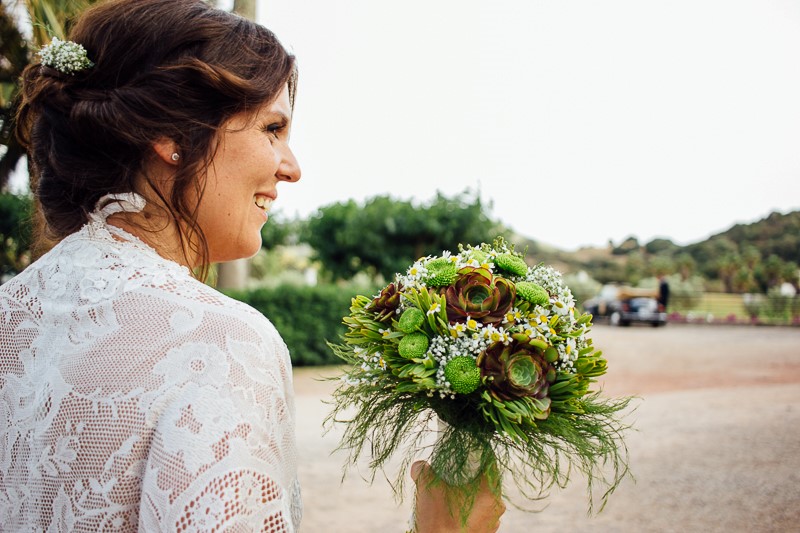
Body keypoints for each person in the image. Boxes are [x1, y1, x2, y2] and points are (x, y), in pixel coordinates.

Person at [0, 0, 505, 531]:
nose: (292, 168)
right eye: (272, 128)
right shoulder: (219, 347)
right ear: (173, 137)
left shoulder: (10, 314)